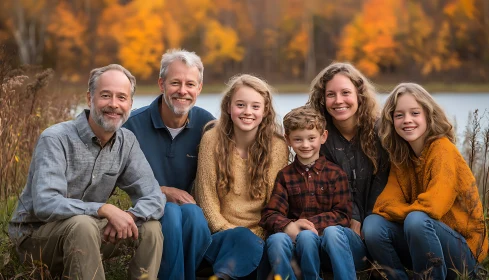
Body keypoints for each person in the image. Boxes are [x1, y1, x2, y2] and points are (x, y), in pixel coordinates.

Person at [8, 64, 165, 280]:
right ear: (89, 98)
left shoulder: (126, 142)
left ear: (130, 103)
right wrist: (103, 209)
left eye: (121, 97)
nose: (113, 104)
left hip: (89, 232)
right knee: (83, 225)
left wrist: (129, 215)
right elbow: (45, 203)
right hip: (37, 239)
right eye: (105, 95)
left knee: (151, 227)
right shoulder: (55, 138)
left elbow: (154, 196)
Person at [362, 83, 489, 280]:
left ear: (429, 116)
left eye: (415, 113)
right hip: (426, 241)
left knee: (416, 220)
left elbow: (433, 207)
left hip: (464, 254)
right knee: (372, 225)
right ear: (391, 121)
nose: (407, 120)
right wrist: (412, 213)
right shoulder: (402, 158)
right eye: (399, 115)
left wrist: (408, 213)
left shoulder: (442, 150)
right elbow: (383, 205)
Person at [123, 49, 214, 280]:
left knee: (192, 214)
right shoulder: (132, 126)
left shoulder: (208, 125)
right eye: (175, 83)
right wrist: (162, 191)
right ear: (162, 84)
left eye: (190, 84)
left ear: (199, 88)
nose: (183, 91)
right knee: (171, 211)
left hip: (192, 211)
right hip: (147, 210)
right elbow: (119, 179)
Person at [195, 74, 289, 279]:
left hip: (261, 235)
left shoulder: (277, 146)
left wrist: (256, 237)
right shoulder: (211, 139)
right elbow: (207, 201)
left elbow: (274, 204)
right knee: (243, 243)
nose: (248, 112)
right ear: (229, 107)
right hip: (220, 236)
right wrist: (230, 232)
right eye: (240, 105)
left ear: (265, 111)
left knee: (257, 250)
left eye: (255, 106)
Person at [306, 62, 390, 277]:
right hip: (338, 229)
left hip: (378, 228)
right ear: (322, 99)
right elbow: (331, 188)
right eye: (331, 94)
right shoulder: (319, 139)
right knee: (333, 233)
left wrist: (365, 219)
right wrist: (351, 216)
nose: (338, 101)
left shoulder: (381, 132)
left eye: (346, 93)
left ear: (360, 95)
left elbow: (383, 182)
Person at [259, 106, 352, 280]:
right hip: (296, 243)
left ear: (323, 137)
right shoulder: (285, 175)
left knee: (308, 236)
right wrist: (290, 226)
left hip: (326, 243)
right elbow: (270, 214)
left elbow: (343, 215)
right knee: (275, 240)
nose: (306, 145)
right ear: (288, 139)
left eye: (311, 138)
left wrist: (307, 224)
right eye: (298, 139)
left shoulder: (336, 174)